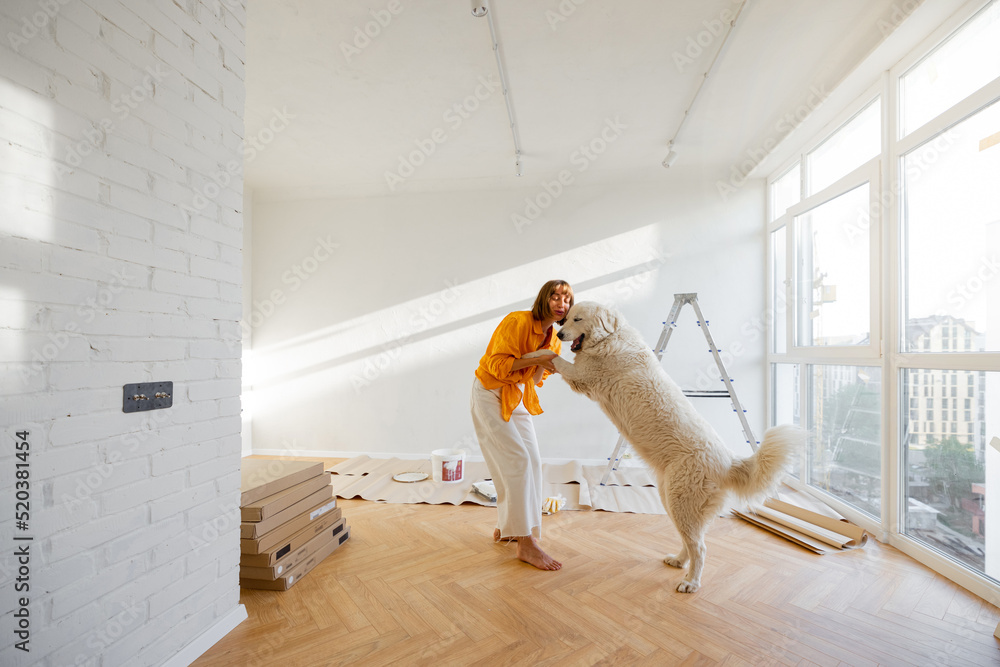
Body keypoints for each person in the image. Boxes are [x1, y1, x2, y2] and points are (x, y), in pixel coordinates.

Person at [470, 280, 573, 570]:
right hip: (490, 392)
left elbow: (533, 378)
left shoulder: (553, 339)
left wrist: (544, 362)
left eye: (566, 300)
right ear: (544, 299)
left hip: (517, 395)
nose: (560, 303)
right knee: (516, 461)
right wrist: (535, 357)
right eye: (555, 296)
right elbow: (497, 365)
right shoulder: (517, 321)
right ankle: (525, 544)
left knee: (533, 461)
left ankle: (508, 528)